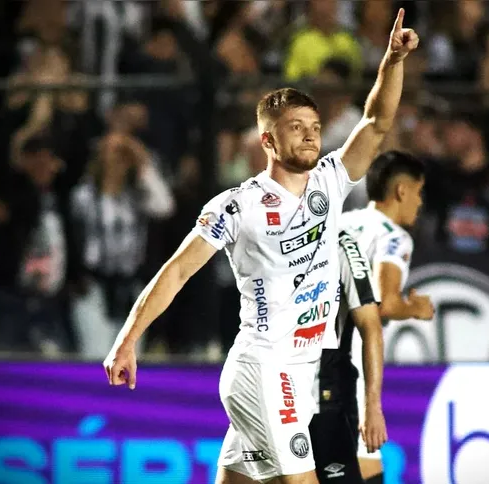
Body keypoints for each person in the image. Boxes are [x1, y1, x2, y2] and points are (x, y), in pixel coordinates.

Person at [103, 9, 419, 484]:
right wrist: (128, 339)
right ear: (268, 140)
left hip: (303, 372)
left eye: (314, 126)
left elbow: (375, 123)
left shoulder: (330, 181)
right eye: (297, 127)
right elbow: (177, 271)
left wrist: (392, 60)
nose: (311, 134)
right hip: (264, 368)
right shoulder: (238, 205)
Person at [310, 151, 435, 484]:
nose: (420, 203)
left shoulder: (344, 222)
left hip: (314, 362)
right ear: (402, 192)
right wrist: (416, 309)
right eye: (419, 192)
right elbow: (385, 303)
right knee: (361, 465)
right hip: (352, 369)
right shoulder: (394, 237)